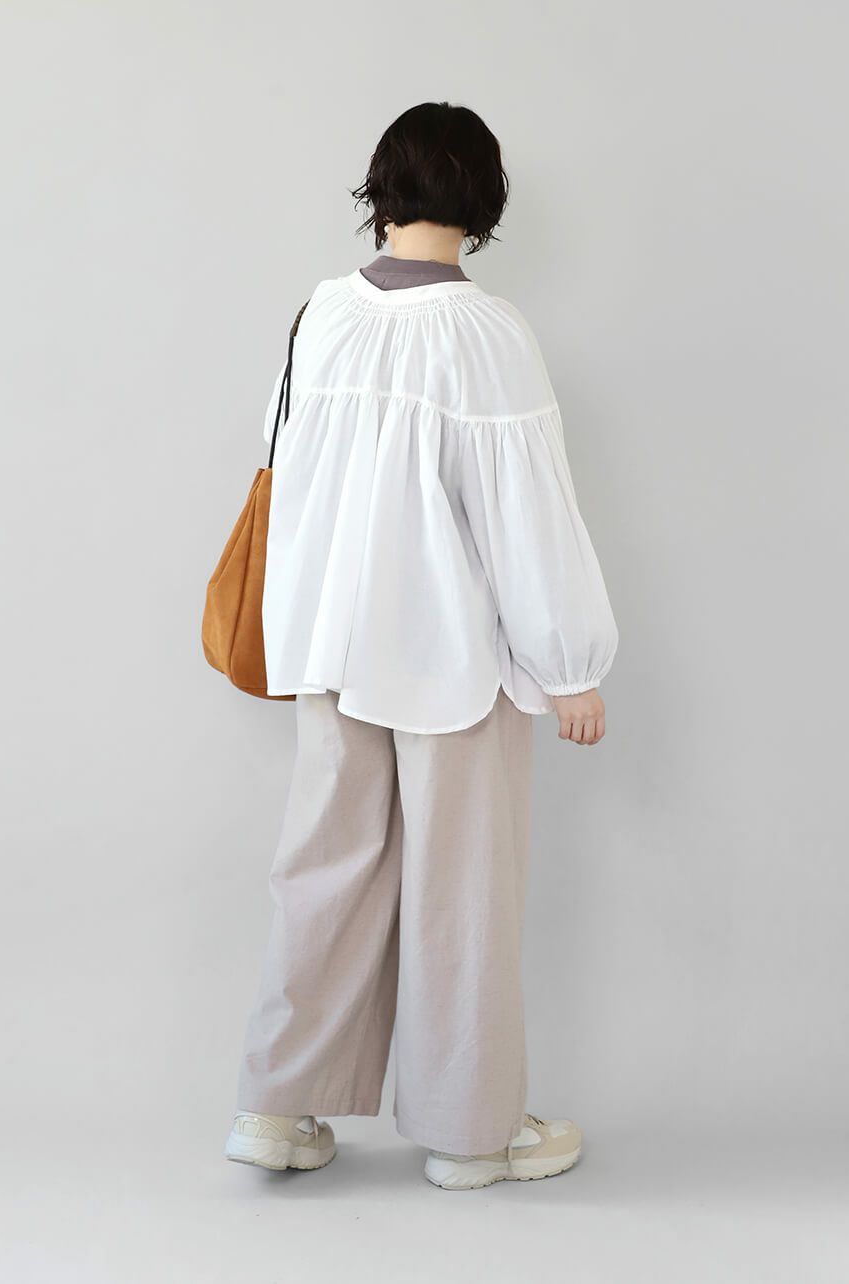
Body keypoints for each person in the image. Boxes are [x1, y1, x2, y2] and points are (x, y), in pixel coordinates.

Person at [223, 102, 618, 1191]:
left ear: (381, 189)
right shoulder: (487, 333)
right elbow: (524, 513)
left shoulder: (320, 314)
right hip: (448, 657)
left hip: (327, 648)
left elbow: (290, 480)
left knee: (321, 873)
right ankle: (470, 1134)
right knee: (461, 887)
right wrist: (571, 666)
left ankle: (274, 1108)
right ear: (482, 199)